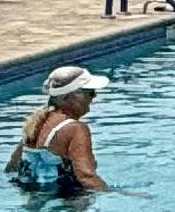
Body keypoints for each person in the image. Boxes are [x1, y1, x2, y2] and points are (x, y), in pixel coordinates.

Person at [6, 65, 110, 194]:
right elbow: (86, 177)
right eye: (90, 92)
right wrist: (118, 194)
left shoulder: (36, 122)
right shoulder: (75, 129)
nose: (94, 97)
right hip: (66, 202)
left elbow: (12, 167)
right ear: (68, 96)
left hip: (31, 200)